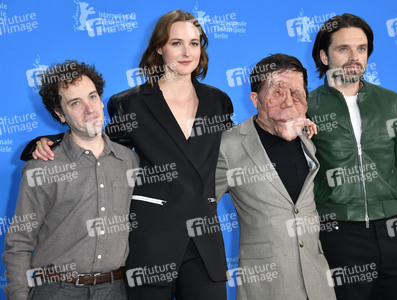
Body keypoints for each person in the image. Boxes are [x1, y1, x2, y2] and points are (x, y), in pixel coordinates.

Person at [20, 10, 233, 300]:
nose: (187, 52)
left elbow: (239, 144)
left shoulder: (218, 101)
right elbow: (99, 143)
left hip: (205, 244)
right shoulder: (131, 103)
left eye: (194, 43)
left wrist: (293, 125)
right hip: (152, 243)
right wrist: (49, 140)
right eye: (176, 43)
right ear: (159, 47)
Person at [308, 13, 397, 299]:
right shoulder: (306, 106)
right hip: (339, 235)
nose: (354, 57)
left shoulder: (392, 102)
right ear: (324, 56)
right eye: (343, 49)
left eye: (361, 49)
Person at [3, 60, 139, 299]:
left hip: (114, 290)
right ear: (60, 114)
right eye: (75, 103)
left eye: (93, 97)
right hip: (55, 291)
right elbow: (19, 243)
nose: (90, 109)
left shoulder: (129, 161)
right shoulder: (42, 166)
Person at [215, 53, 336, 300]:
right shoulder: (227, 147)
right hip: (265, 287)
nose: (289, 103)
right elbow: (198, 207)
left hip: (318, 284)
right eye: (277, 93)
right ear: (255, 99)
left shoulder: (308, 141)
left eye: (296, 94)